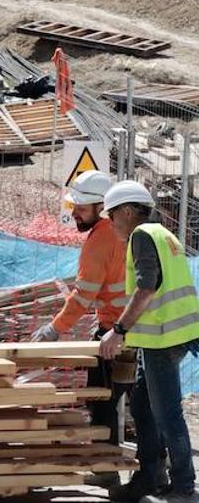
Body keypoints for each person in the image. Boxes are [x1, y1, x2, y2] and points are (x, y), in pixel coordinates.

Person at [99, 181, 199, 503]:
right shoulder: (163, 234)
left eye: (112, 214)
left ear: (127, 211)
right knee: (143, 404)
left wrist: (119, 330)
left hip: (162, 338)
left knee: (167, 412)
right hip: (173, 334)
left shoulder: (141, 236)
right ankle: (151, 475)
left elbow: (147, 287)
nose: (111, 222)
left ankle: (183, 484)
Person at [28, 171, 128, 485]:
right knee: (145, 405)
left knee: (101, 401)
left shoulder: (100, 239)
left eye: (81, 208)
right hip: (137, 329)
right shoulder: (127, 232)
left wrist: (54, 329)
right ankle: (156, 470)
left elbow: (83, 295)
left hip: (116, 332)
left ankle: (105, 470)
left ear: (102, 206)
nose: (75, 214)